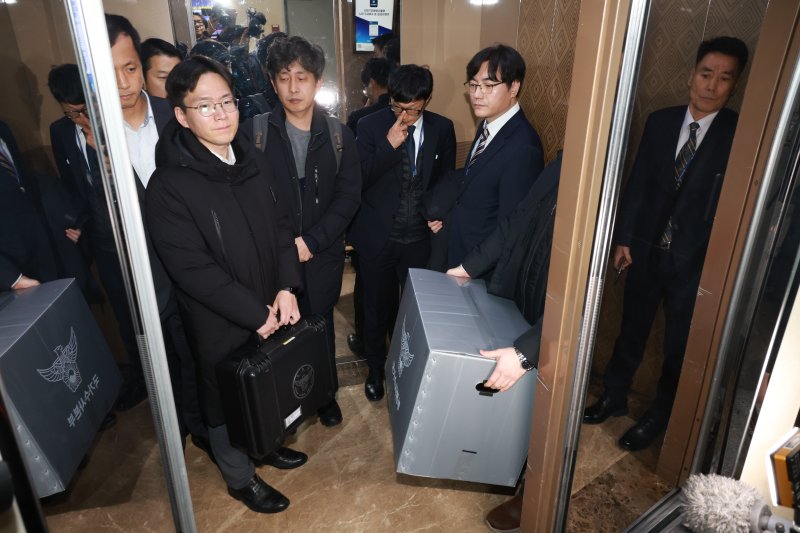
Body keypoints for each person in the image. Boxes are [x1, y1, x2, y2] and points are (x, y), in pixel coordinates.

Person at [146, 55, 306, 514]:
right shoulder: (169, 185)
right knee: (224, 399)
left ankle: (266, 445)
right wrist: (255, 314)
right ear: (181, 115)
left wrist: (286, 287)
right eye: (205, 106)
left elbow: (282, 227)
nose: (221, 114)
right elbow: (192, 270)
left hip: (271, 302)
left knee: (268, 383)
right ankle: (240, 477)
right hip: (219, 318)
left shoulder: (254, 160)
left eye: (227, 102)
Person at [583, 36, 749, 452]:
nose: (711, 85)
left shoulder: (739, 134)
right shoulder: (660, 121)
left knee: (678, 346)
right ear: (692, 75)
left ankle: (659, 414)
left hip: (695, 261)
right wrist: (624, 238)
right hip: (644, 249)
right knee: (631, 329)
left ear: (735, 85)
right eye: (706, 73)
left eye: (724, 78)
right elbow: (637, 182)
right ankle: (614, 396)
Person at [447, 152, 561, 533]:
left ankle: (533, 497)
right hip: (525, 296)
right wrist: (469, 266)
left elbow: (579, 298)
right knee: (522, 401)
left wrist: (527, 352)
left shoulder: (606, 186)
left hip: (557, 321)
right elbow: (517, 220)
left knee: (550, 413)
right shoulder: (562, 162)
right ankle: (508, 462)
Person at [257, 35, 362, 426]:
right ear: (273, 83)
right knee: (277, 330)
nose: (293, 87)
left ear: (318, 82)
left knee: (320, 326)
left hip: (322, 255)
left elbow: (349, 198)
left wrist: (313, 241)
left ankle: (325, 395)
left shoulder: (338, 136)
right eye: (284, 78)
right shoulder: (256, 134)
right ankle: (286, 403)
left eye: (302, 77)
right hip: (273, 256)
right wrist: (285, 246)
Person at [350, 64, 456, 401]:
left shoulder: (443, 128)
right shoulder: (369, 126)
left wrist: (440, 212)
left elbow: (446, 178)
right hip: (378, 236)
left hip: (419, 240)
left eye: (413, 109)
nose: (405, 115)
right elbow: (356, 180)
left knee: (413, 311)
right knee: (375, 308)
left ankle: (406, 370)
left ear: (427, 100)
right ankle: (375, 370)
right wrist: (388, 146)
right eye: (398, 107)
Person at [427, 44, 544, 271]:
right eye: (473, 85)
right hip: (459, 247)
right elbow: (471, 181)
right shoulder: (487, 125)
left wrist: (469, 268)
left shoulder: (523, 147)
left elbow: (513, 224)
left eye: (489, 86)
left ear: (514, 87)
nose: (477, 95)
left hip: (481, 269)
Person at [0, 120, 58, 291]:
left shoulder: (3, 128)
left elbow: (22, 184)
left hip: (40, 247)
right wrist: (12, 278)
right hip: (10, 271)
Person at [346, 57, 392, 135]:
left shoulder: (358, 117)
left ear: (371, 83)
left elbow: (348, 141)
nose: (366, 93)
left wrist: (364, 110)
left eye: (364, 87)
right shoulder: (401, 111)